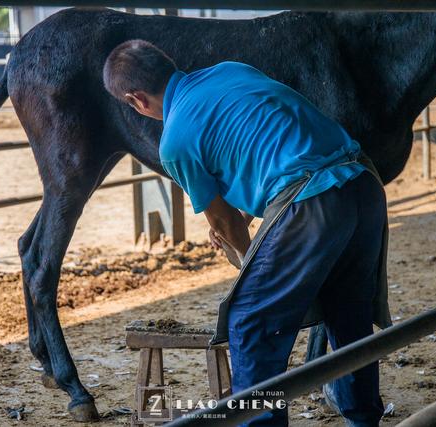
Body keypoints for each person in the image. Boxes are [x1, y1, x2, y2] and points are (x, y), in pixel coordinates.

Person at [103, 39, 390, 427]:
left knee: (250, 323)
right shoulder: (230, 70)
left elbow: (224, 224)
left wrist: (245, 259)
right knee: (347, 311)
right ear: (167, 62)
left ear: (136, 99)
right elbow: (266, 145)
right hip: (362, 184)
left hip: (310, 203)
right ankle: (363, 421)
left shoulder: (174, 141)